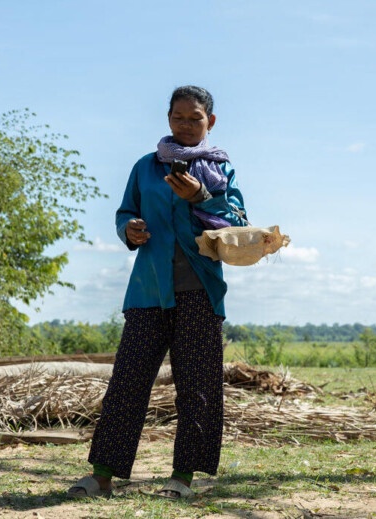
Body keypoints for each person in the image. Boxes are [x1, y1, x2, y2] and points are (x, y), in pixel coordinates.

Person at [67, 85, 247, 499]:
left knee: (197, 388)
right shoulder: (146, 167)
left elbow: (238, 219)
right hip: (148, 292)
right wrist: (128, 229)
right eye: (179, 118)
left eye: (195, 118)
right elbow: (125, 212)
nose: (186, 125)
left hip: (200, 293)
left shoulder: (222, 171)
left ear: (210, 122)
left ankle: (182, 478)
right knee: (127, 382)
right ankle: (101, 475)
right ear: (168, 119)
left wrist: (202, 196)